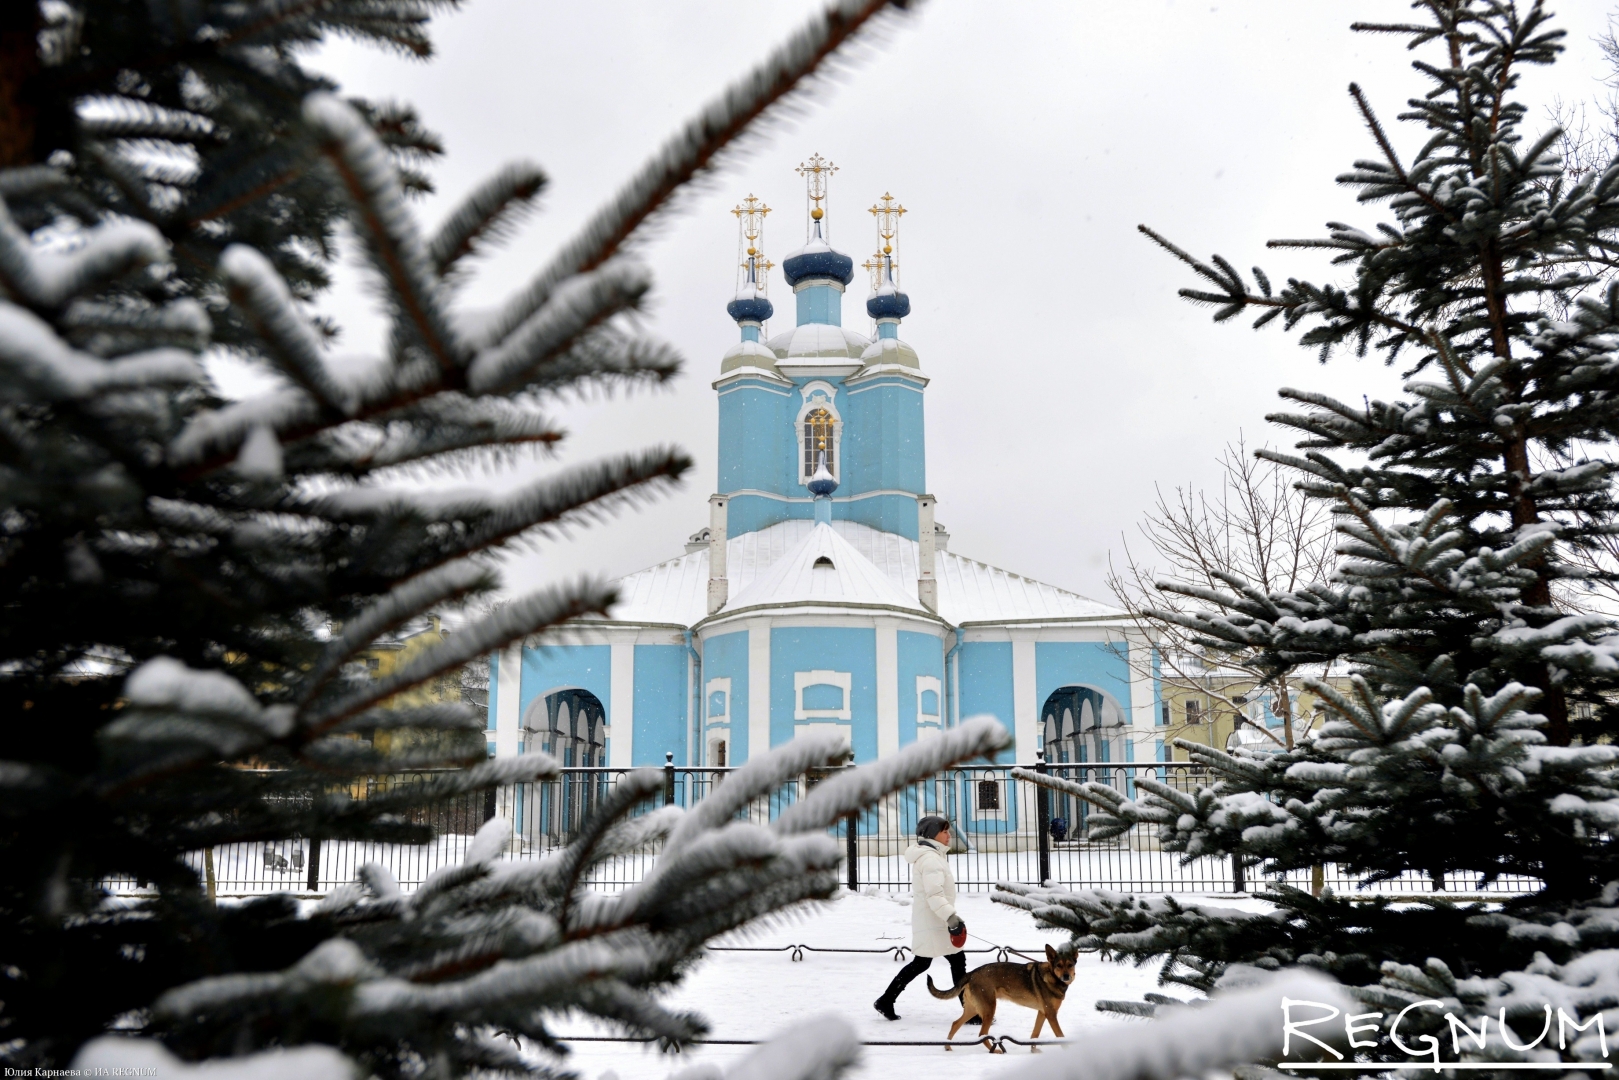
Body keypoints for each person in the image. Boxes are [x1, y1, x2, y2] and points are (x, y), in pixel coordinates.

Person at [873, 815, 968, 1021]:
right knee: (951, 961)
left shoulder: (933, 856)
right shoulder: (931, 859)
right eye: (944, 831)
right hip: (935, 921)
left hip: (934, 919)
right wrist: (951, 918)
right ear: (933, 834)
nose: (949, 835)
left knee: (930, 962)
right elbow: (934, 895)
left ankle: (886, 1000)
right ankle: (970, 1011)